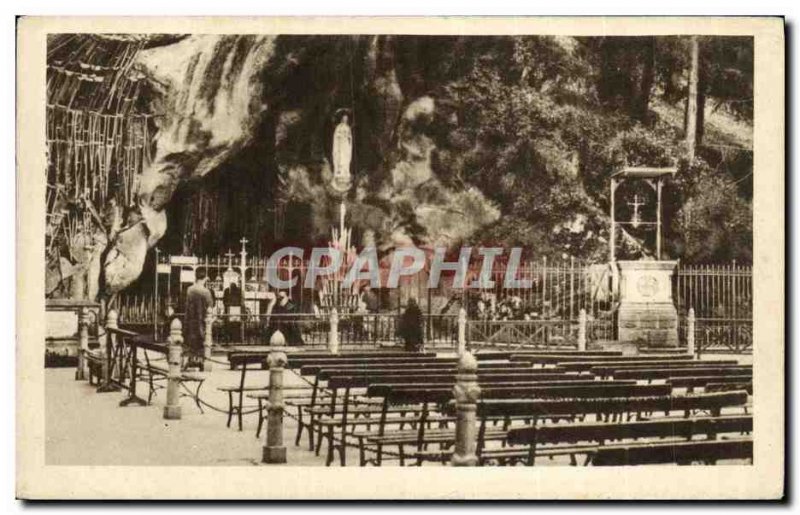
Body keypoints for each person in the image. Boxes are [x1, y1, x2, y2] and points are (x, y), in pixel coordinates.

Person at [185, 268, 214, 369]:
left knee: (192, 340)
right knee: (202, 340)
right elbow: (210, 305)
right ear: (205, 278)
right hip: (202, 320)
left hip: (191, 319)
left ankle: (192, 359)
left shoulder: (189, 289)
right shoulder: (206, 292)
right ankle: (201, 360)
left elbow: (187, 305)